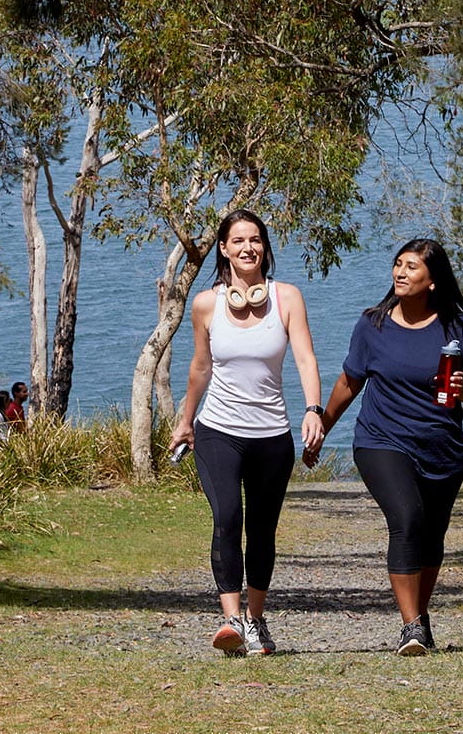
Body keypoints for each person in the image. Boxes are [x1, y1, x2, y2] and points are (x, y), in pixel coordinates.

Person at [312, 238, 463, 656]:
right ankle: (410, 627)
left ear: (432, 280)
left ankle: (420, 618)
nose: (400, 273)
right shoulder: (372, 324)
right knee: (407, 519)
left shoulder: (457, 327)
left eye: (411, 267)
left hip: (442, 448)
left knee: (431, 536)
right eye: (397, 265)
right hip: (381, 440)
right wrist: (322, 426)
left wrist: (462, 388)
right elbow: (349, 382)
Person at [170, 209, 324, 656]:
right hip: (218, 430)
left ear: (265, 246)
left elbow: (306, 360)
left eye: (255, 239)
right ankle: (232, 620)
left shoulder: (287, 298)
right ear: (223, 248)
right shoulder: (206, 304)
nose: (247, 248)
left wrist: (313, 409)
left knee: (261, 530)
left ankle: (256, 621)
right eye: (238, 240)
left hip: (272, 436)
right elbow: (201, 367)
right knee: (227, 520)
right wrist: (186, 420)